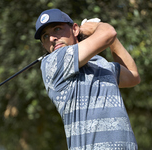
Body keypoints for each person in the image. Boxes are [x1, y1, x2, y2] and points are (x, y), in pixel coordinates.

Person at [34, 8, 140, 150]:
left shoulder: (100, 63)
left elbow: (133, 76)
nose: (52, 38)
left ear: (75, 29)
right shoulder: (53, 62)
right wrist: (97, 27)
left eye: (57, 29)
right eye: (45, 36)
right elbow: (108, 33)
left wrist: (112, 41)